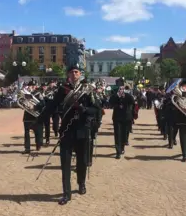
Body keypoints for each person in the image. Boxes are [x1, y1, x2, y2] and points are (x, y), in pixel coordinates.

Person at [37, 63, 100, 205]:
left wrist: (85, 109)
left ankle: (81, 183)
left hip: (82, 130)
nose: (74, 74)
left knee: (82, 162)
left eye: (76, 71)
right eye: (71, 72)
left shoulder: (87, 89)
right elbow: (51, 106)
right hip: (66, 130)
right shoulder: (63, 90)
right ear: (67, 75)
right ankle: (66, 193)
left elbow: (96, 109)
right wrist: (40, 120)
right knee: (64, 163)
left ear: (80, 74)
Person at [109, 85, 135, 159]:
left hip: (126, 117)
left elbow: (132, 103)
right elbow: (110, 103)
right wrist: (117, 96)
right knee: (117, 134)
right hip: (117, 117)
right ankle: (118, 151)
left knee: (124, 134)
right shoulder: (115, 96)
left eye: (122, 89)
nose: (121, 90)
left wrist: (131, 114)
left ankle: (122, 147)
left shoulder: (128, 96)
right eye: (120, 89)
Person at [22, 81, 44, 155]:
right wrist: (24, 105)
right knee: (26, 133)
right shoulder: (25, 94)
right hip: (27, 115)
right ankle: (27, 148)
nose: (32, 86)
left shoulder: (38, 94)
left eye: (33, 85)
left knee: (37, 132)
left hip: (35, 116)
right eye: (30, 85)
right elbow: (21, 102)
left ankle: (38, 145)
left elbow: (43, 103)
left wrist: (34, 107)